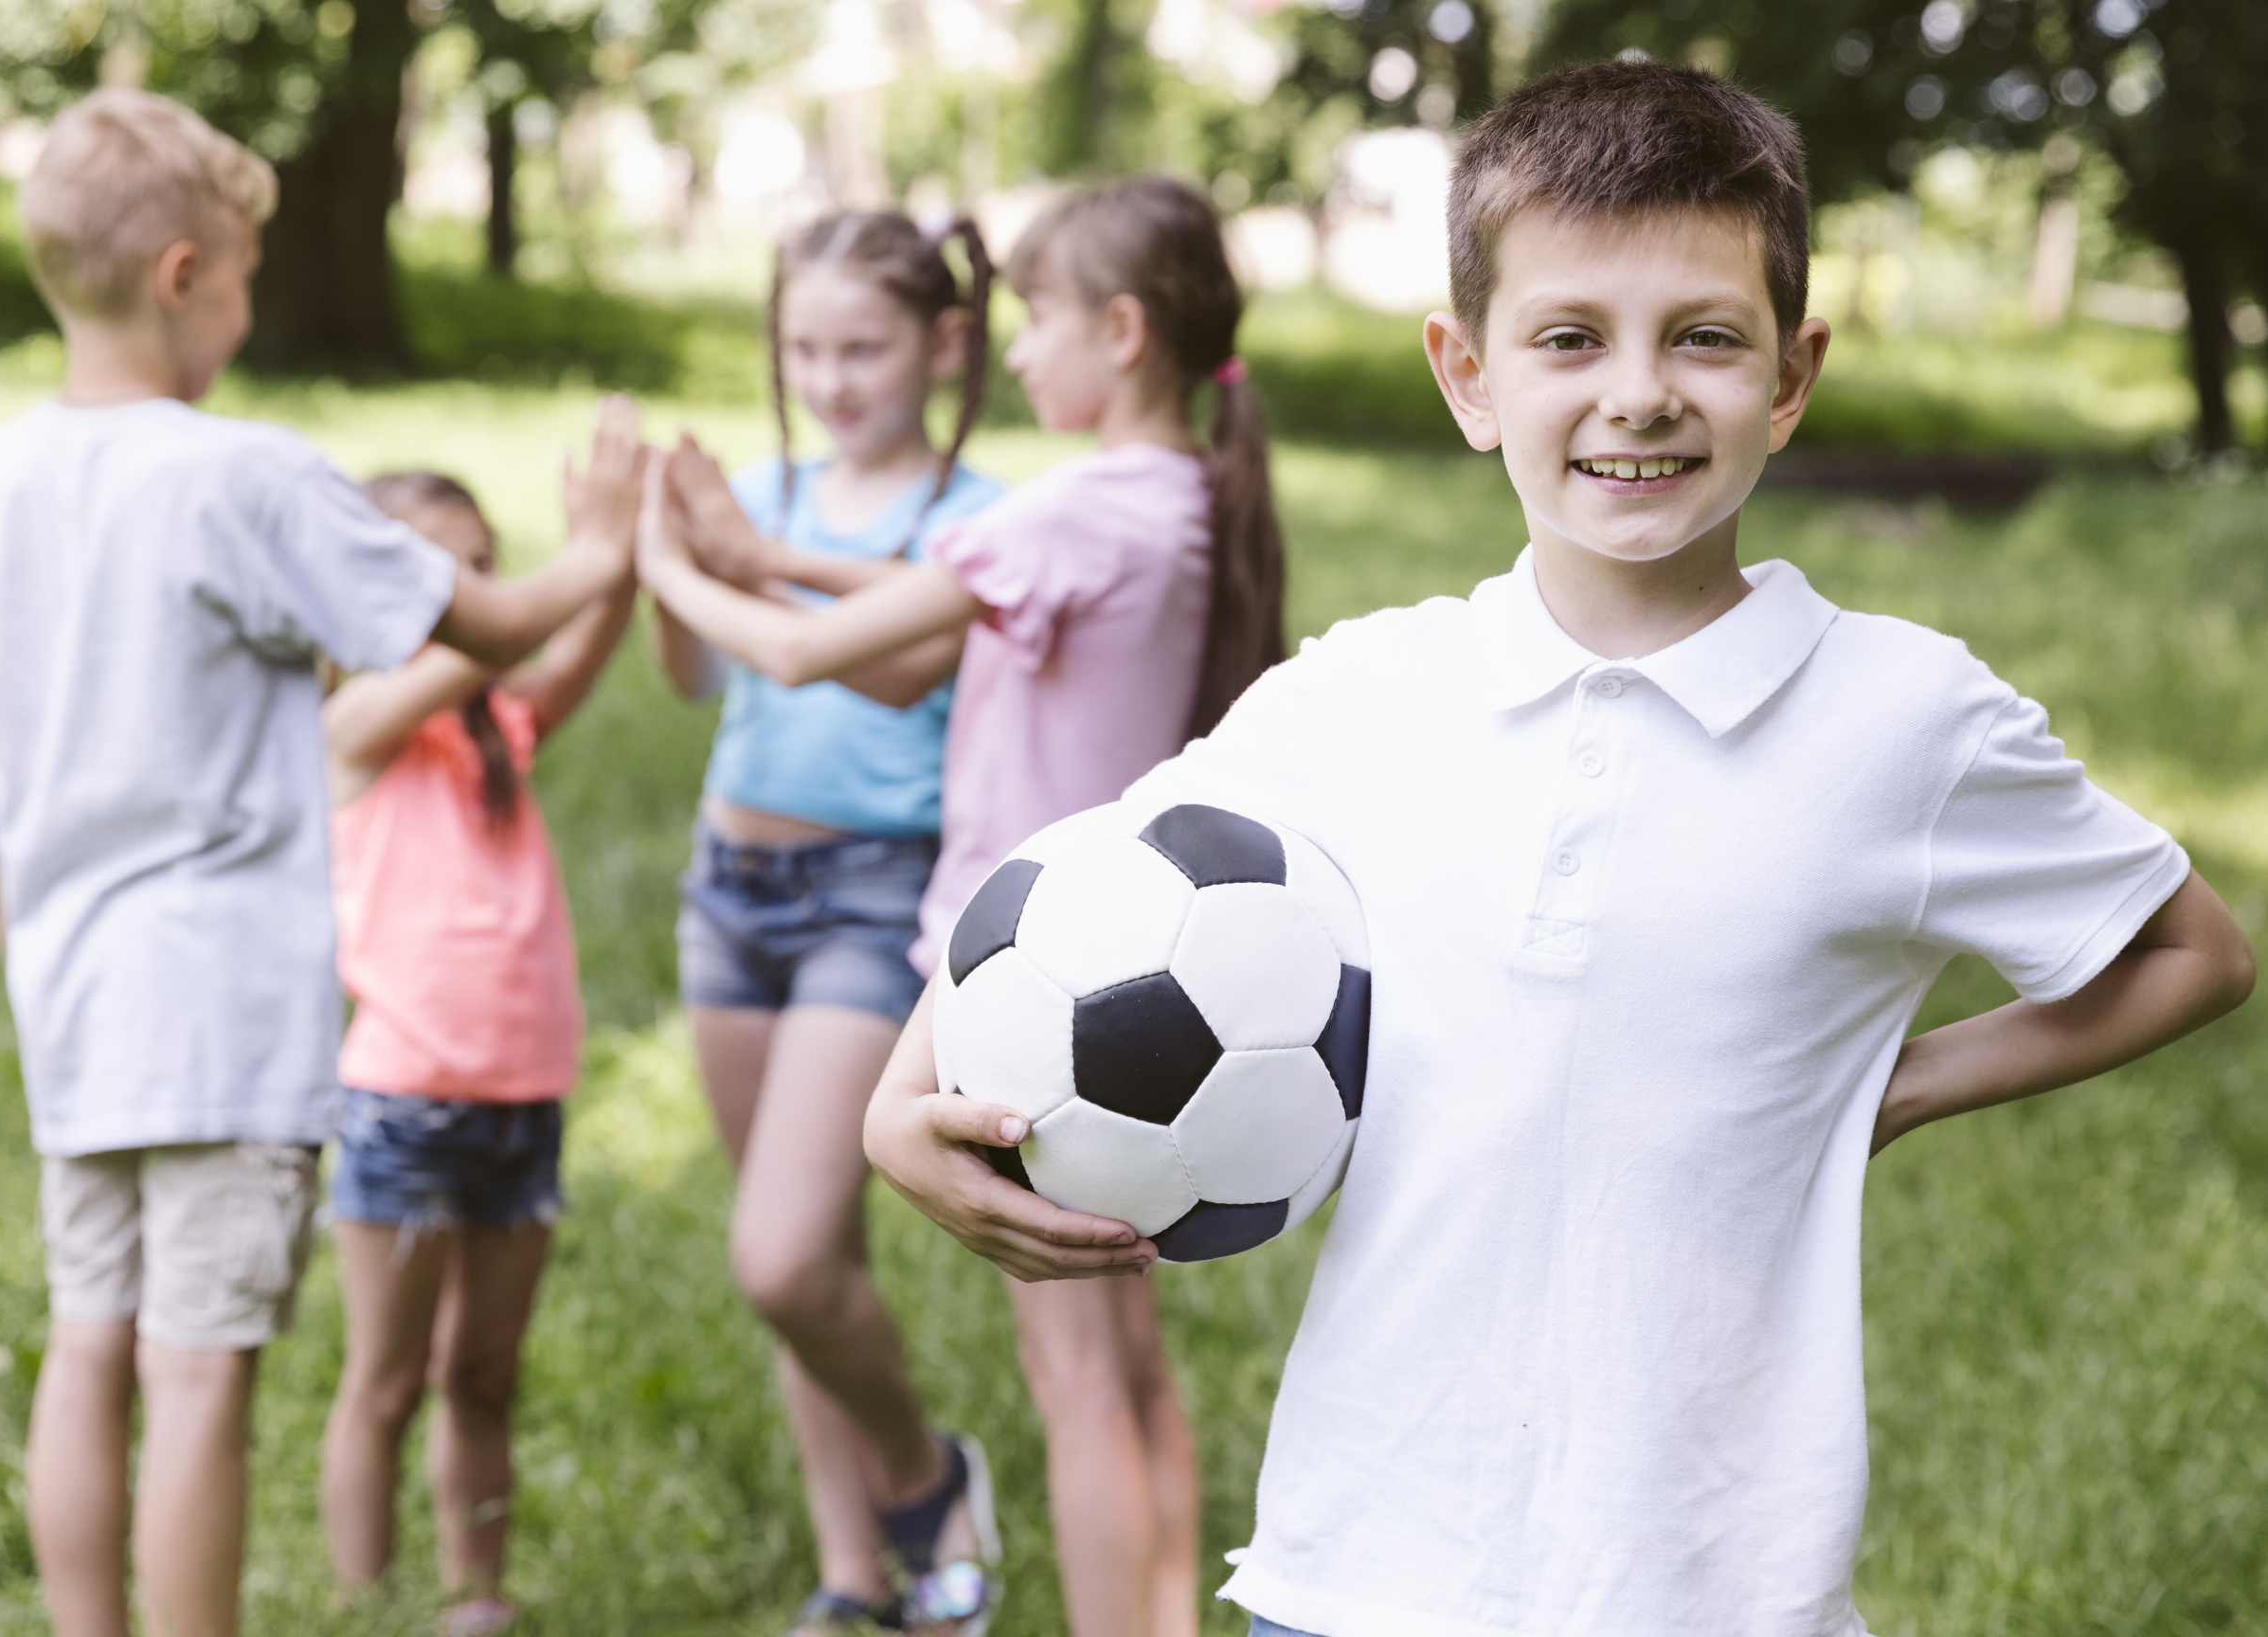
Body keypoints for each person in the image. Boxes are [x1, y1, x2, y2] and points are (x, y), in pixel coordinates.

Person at [860, 63, 2257, 1637]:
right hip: (1355, 1569)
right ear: (1468, 376)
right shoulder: (1364, 692)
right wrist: (899, 1109)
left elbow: (2194, 951)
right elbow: (1083, 888)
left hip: (1713, 1589)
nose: (1639, 394)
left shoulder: (1904, 719)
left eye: (1705, 337)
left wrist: (1897, 1085)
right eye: (1569, 338)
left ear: (1792, 376)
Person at [0, 90, 634, 1637]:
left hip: (76, 998)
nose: (250, 308)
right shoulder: (241, 475)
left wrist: (25, 942)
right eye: (246, 277)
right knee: (199, 1373)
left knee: (87, 1340)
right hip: (223, 1015)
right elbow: (485, 624)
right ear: (183, 275)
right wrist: (598, 545)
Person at [641, 177, 1286, 1637]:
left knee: (1078, 1378)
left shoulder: (1079, 504)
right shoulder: (1177, 492)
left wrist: (669, 564)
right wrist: (759, 555)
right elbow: (929, 591)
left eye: (1040, 320)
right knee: (1124, 1369)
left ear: (1122, 333)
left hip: (1041, 976)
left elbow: (805, 655)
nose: (1022, 352)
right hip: (1118, 951)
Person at [646, 210, 1007, 1636]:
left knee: (783, 1255)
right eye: (805, 349)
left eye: (863, 347)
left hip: (872, 899)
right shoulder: (765, 490)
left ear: (942, 343)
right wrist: (674, 544)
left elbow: (902, 672)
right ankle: (854, 1575)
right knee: (800, 1267)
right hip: (730, 889)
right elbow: (688, 674)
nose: (832, 378)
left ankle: (924, 1481)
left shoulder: (975, 523)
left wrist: (732, 562)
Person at [317, 459, 642, 1637]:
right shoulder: (353, 726)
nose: (477, 595)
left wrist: (623, 547)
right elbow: (509, 639)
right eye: (441, 574)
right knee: (386, 1381)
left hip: (523, 1097)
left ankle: (476, 1599)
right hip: (404, 1103)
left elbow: (579, 643)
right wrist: (567, 574)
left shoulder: (497, 723)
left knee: (484, 1375)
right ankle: (364, 1605)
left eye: (486, 568)